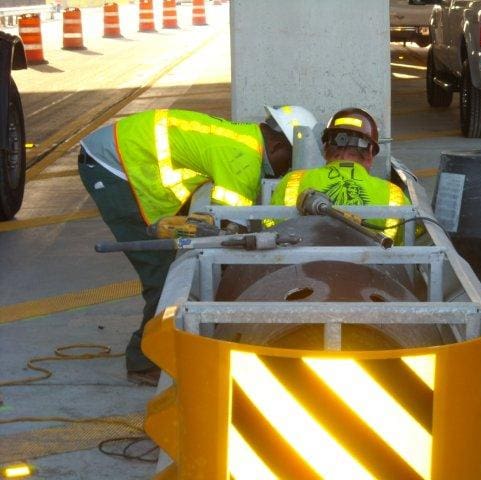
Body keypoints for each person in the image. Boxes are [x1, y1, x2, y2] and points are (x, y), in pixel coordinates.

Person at [78, 106, 318, 384]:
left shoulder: (244, 140)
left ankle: (162, 346)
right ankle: (144, 363)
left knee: (171, 266)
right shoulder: (243, 160)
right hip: (114, 165)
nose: (286, 171)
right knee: (165, 273)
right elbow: (229, 238)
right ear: (277, 145)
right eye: (289, 162)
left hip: (120, 154)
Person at [269, 107, 410, 239]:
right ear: (370, 153)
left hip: (303, 264)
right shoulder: (393, 194)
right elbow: (411, 235)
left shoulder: (292, 181)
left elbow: (270, 225)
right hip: (368, 264)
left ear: (325, 149)